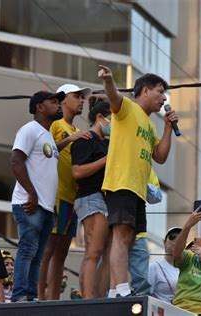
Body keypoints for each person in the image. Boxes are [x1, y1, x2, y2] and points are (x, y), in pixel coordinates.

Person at [98, 64, 178, 297]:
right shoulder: (128, 109)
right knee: (122, 236)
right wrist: (109, 80)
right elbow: (114, 96)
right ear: (144, 91)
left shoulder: (149, 123)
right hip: (121, 182)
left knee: (128, 238)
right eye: (160, 91)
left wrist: (168, 128)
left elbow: (160, 157)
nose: (164, 97)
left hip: (137, 189)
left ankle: (114, 289)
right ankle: (122, 288)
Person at [38, 84, 92, 301]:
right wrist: (70, 139)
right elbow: (45, 150)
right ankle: (39, 298)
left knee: (62, 251)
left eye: (82, 97)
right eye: (76, 96)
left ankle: (53, 300)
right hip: (55, 195)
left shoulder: (78, 130)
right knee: (48, 249)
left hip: (72, 197)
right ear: (62, 99)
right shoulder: (56, 125)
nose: (81, 100)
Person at [10, 90, 65, 302]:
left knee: (38, 256)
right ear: (40, 107)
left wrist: (53, 207)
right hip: (29, 203)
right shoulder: (29, 130)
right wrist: (31, 193)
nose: (58, 105)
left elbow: (47, 174)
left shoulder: (48, 136)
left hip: (46, 207)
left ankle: (30, 297)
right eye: (53, 101)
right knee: (28, 250)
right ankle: (20, 295)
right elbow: (16, 161)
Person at [71, 95, 111, 299]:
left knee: (107, 255)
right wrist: (106, 160)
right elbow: (77, 172)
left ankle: (97, 297)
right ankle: (88, 301)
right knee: (93, 253)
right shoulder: (86, 139)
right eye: (111, 119)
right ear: (101, 117)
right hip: (90, 197)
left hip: (103, 199)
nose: (113, 124)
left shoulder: (107, 142)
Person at [128, 169, 163, 296]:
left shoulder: (146, 165)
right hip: (113, 229)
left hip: (138, 232)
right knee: (107, 275)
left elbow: (157, 197)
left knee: (141, 281)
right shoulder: (114, 156)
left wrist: (141, 181)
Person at [148, 226, 182, 302]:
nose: (176, 240)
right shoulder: (155, 267)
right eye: (172, 237)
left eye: (180, 238)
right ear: (164, 242)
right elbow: (146, 295)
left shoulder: (187, 269)